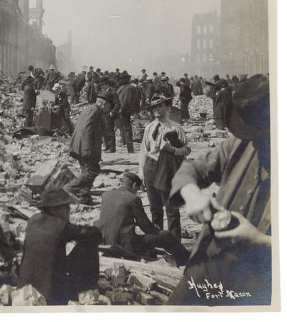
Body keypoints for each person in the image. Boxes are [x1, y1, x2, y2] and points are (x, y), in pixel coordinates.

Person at [166, 74, 271, 305]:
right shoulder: (242, 143)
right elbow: (191, 169)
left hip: (262, 282)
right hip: (210, 262)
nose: (254, 141)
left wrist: (259, 239)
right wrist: (192, 195)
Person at [18, 186, 102, 305]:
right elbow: (93, 234)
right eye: (65, 206)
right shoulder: (61, 226)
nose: (68, 209)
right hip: (50, 292)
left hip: (25, 286)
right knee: (89, 243)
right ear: (55, 209)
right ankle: (87, 288)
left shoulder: (33, 220)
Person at [97, 172, 190, 266]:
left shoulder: (106, 195)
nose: (136, 192)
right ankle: (185, 259)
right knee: (166, 235)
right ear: (134, 185)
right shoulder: (133, 199)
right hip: (125, 245)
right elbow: (145, 227)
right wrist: (155, 229)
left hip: (104, 242)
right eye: (137, 189)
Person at [138, 94, 191, 241]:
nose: (156, 109)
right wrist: (141, 171)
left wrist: (173, 150)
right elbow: (144, 150)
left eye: (159, 106)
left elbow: (186, 150)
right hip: (151, 167)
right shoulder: (149, 128)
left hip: (168, 169)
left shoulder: (176, 128)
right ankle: (158, 240)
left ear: (167, 108)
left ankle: (175, 243)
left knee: (171, 208)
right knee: (155, 208)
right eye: (154, 107)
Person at [63, 90, 114, 205]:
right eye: (109, 107)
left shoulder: (90, 108)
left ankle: (84, 198)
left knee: (85, 171)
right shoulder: (95, 110)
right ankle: (70, 188)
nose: (109, 110)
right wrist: (87, 148)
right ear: (104, 104)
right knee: (92, 170)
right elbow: (87, 129)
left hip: (81, 145)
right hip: (85, 146)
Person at [117, 72, 140, 153]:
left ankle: (128, 147)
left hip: (122, 110)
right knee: (124, 128)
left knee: (125, 128)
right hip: (122, 110)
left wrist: (120, 109)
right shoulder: (127, 87)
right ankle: (127, 146)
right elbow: (125, 100)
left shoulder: (125, 88)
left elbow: (125, 100)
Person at [101, 81, 120, 153]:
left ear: (107, 84)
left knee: (109, 131)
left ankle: (112, 148)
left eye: (103, 85)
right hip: (103, 113)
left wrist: (112, 112)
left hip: (109, 114)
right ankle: (107, 145)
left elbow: (117, 104)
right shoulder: (103, 92)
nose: (102, 86)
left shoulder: (113, 93)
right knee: (104, 131)